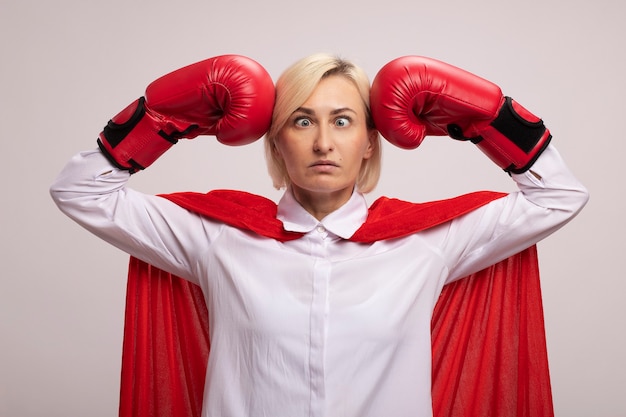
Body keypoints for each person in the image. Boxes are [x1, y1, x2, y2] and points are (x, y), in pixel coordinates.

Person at [50, 53, 588, 417]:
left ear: (371, 143)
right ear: (275, 141)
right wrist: (161, 119)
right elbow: (80, 191)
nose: (324, 142)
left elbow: (559, 195)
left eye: (344, 121)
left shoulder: (428, 243)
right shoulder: (214, 238)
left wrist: (487, 119)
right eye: (302, 121)